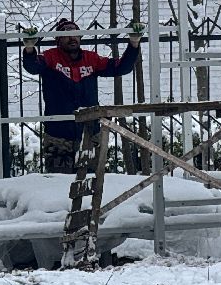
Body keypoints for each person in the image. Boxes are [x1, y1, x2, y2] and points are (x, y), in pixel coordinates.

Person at [22, 17, 141, 173]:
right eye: (66, 34)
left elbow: (121, 68)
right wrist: (30, 50)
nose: (72, 38)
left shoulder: (91, 59)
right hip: (58, 135)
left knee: (91, 182)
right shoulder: (50, 57)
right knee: (58, 184)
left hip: (89, 133)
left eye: (76, 34)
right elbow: (33, 67)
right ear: (58, 39)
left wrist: (133, 44)